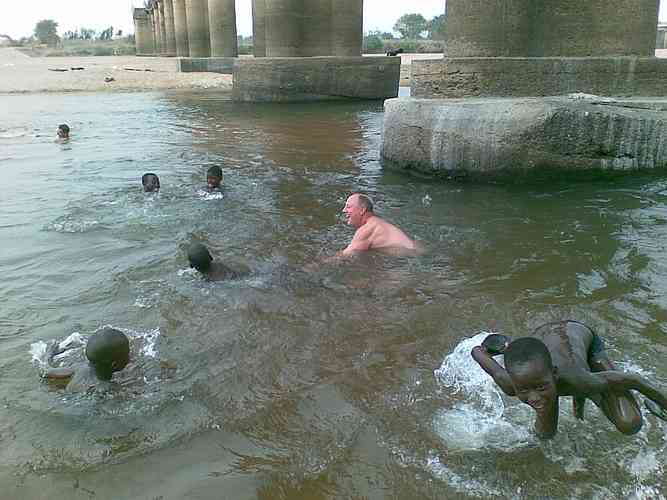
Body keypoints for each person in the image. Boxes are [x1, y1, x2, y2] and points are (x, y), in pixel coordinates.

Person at [471, 320, 667, 439]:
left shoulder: (577, 378)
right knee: (545, 434)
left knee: (630, 423)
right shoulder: (511, 383)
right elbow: (477, 352)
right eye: (524, 390)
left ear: (554, 374)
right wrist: (489, 347)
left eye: (540, 388)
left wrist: (663, 403)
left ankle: (587, 394)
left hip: (577, 335)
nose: (534, 398)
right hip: (540, 344)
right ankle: (509, 346)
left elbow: (633, 379)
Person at [44, 327, 130, 393]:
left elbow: (46, 371)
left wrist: (50, 353)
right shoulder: (110, 389)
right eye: (127, 353)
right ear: (114, 364)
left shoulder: (78, 368)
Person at [339, 193, 420, 256]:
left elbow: (345, 256)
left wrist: (330, 261)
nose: (343, 210)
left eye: (348, 207)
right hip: (417, 250)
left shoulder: (367, 229)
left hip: (412, 256)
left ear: (362, 210)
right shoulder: (377, 223)